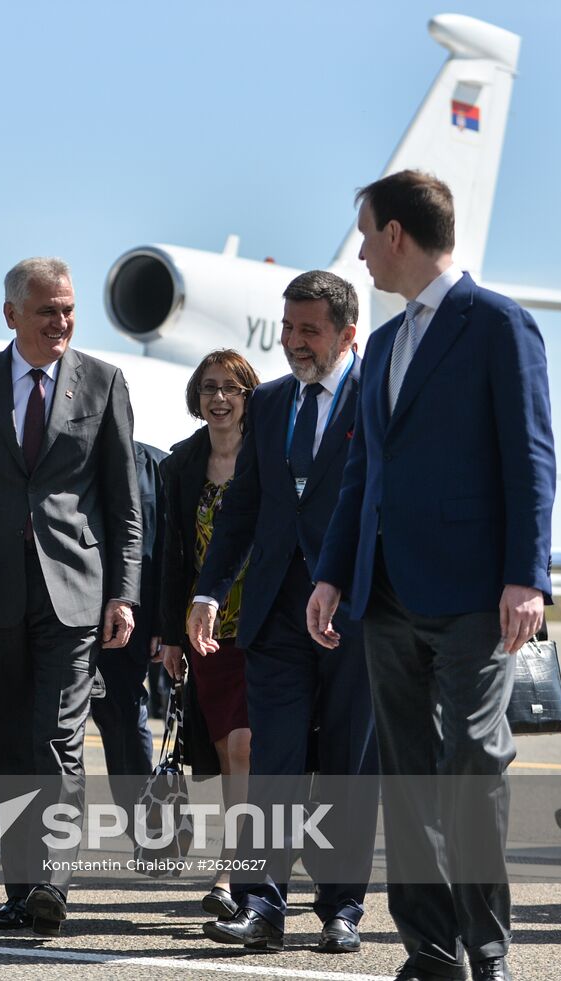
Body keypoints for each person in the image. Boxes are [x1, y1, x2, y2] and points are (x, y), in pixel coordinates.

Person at [308, 170, 556, 981]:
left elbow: (531, 457)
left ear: (397, 236)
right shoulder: (380, 342)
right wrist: (333, 573)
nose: (360, 254)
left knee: (473, 765)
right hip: (382, 593)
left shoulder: (498, 325)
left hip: (472, 592)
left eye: (365, 234)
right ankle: (430, 949)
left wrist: (527, 574)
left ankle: (488, 948)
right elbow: (362, 477)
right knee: (407, 777)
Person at [0, 257, 142, 936]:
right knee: (6, 741)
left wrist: (124, 591)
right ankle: (21, 890)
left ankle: (52, 880)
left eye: (68, 309)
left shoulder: (103, 381)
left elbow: (125, 502)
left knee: (58, 737)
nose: (61, 322)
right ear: (11, 314)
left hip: (73, 587)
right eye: (47, 310)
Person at [187, 271, 378, 955]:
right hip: (273, 613)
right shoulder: (267, 403)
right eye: (288, 327)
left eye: (310, 330)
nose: (294, 341)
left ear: (347, 333)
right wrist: (209, 591)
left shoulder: (377, 396)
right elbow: (243, 508)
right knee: (274, 760)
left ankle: (341, 906)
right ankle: (261, 903)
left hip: (356, 612)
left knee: (348, 764)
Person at [158, 349, 259, 917]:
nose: (219, 398)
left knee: (246, 748)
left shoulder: (267, 458)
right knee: (227, 755)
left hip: (267, 625)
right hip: (209, 633)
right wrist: (172, 633)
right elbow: (171, 556)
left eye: (231, 388)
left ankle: (231, 872)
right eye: (209, 387)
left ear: (249, 397)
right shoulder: (181, 465)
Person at [92, 441, 166, 809]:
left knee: (122, 718)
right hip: (62, 611)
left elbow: (165, 549)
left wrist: (162, 624)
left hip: (128, 617)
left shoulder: (156, 466)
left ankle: (145, 825)